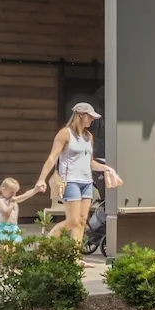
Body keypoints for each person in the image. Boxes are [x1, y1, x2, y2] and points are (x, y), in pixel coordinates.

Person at [36, 102, 122, 242]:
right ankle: (45, 245)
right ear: (80, 115)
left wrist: (105, 167)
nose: (93, 119)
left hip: (87, 182)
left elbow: (90, 162)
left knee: (82, 221)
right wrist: (41, 179)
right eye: (90, 116)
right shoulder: (65, 133)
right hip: (70, 181)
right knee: (72, 220)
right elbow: (52, 158)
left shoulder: (89, 136)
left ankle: (75, 256)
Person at [0, 177, 43, 243]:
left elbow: (25, 195)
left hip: (14, 226)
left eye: (15, 193)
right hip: (4, 227)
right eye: (11, 192)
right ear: (3, 190)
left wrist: (35, 190)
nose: (13, 195)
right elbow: (6, 212)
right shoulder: (0, 201)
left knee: (17, 244)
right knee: (4, 247)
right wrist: (12, 202)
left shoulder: (13, 199)